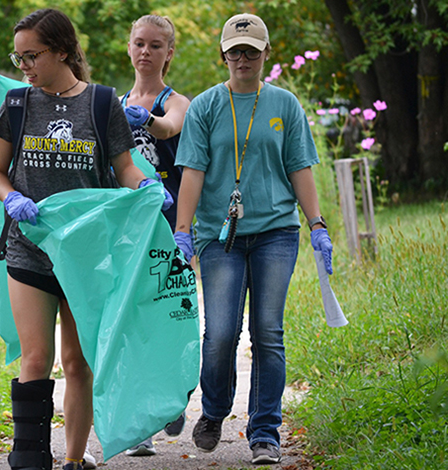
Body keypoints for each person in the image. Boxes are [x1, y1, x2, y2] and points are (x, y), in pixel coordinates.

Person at [0, 9, 173, 470]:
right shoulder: (17, 104)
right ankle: (29, 457)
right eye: (18, 57)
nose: (24, 65)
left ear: (62, 52)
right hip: (29, 247)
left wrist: (146, 186)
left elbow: (124, 167)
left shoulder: (102, 103)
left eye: (32, 55)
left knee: (76, 361)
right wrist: (11, 197)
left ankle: (73, 459)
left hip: (87, 255)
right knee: (35, 358)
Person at [173, 13, 334, 465]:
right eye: (234, 51)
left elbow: (299, 167)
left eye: (251, 51)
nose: (242, 58)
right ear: (223, 55)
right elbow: (193, 172)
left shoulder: (285, 104)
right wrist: (182, 231)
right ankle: (214, 412)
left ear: (266, 54)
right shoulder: (206, 106)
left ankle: (265, 432)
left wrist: (317, 224)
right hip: (219, 236)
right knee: (221, 332)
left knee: (268, 332)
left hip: (276, 232)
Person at [118, 14, 191, 457]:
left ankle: (174, 394)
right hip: (129, 232)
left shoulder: (176, 101)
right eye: (139, 43)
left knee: (168, 318)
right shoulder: (112, 102)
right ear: (129, 47)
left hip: (170, 228)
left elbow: (168, 127)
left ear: (169, 53)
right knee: (133, 322)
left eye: (156, 45)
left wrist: (145, 119)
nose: (146, 51)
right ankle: (140, 421)